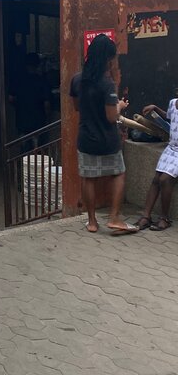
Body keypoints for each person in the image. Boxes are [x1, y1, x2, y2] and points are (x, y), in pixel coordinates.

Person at [70, 34, 136, 234]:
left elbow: (77, 107)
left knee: (88, 177)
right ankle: (114, 218)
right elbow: (111, 117)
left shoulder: (77, 80)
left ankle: (91, 222)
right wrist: (120, 106)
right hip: (108, 140)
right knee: (118, 173)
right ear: (107, 59)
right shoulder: (107, 84)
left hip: (86, 138)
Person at [134, 96, 178, 231]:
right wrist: (155, 108)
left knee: (165, 179)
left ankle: (164, 218)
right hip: (171, 148)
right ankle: (146, 216)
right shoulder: (173, 103)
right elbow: (168, 116)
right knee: (156, 179)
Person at [9, 53, 50, 147]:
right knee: (36, 145)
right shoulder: (42, 81)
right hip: (38, 118)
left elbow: (10, 98)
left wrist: (19, 105)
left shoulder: (18, 80)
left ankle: (23, 155)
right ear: (37, 65)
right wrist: (47, 116)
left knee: (23, 143)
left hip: (22, 117)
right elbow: (47, 104)